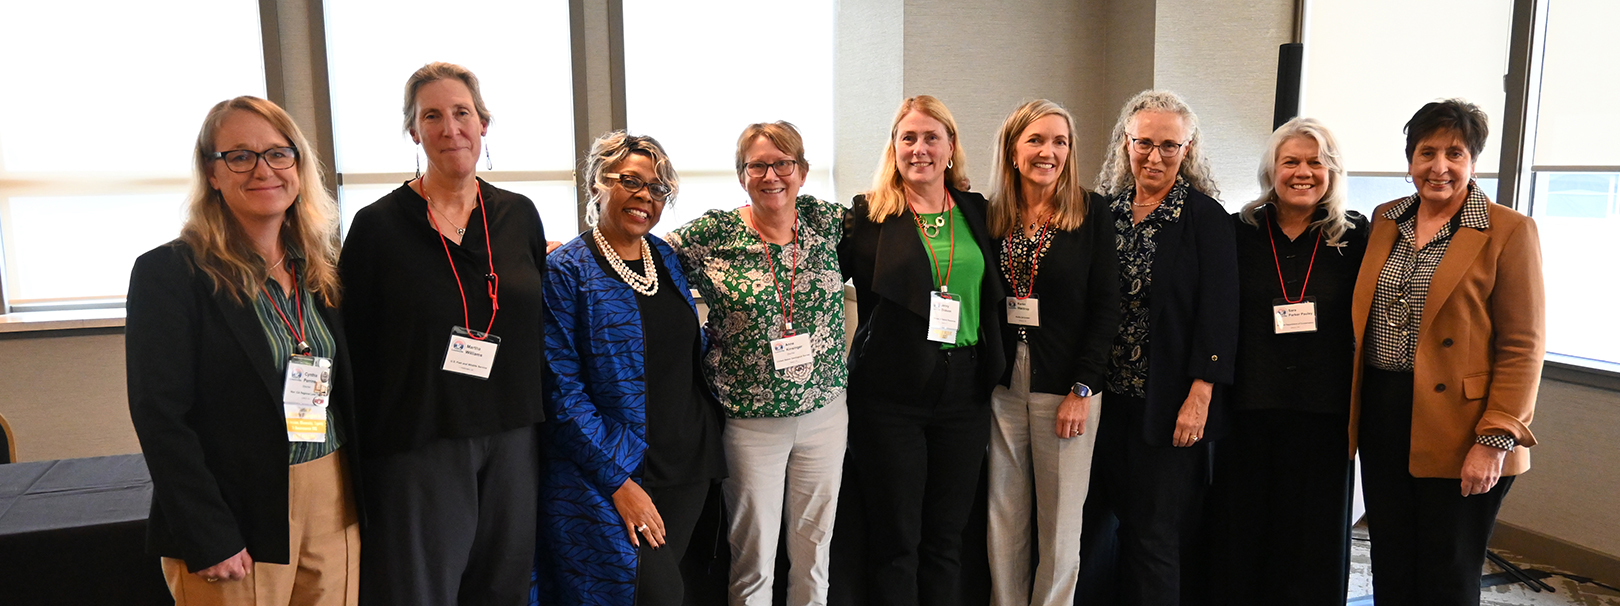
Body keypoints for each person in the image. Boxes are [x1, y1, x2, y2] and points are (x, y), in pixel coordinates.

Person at [127, 95, 360, 605]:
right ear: (211, 173)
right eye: (239, 156)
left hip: (333, 495)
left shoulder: (321, 269)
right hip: (235, 507)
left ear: (298, 165)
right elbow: (160, 415)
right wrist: (208, 532)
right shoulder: (171, 274)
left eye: (279, 153)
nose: (263, 170)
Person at [339, 62, 549, 606]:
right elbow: (355, 348)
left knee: (503, 589)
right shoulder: (378, 227)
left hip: (511, 435)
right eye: (432, 115)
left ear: (483, 123)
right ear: (413, 130)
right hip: (421, 441)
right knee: (422, 592)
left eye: (462, 112)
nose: (450, 127)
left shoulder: (519, 215)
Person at [1349, 99, 1545, 606]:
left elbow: (1523, 345)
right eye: (1426, 152)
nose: (1439, 166)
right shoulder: (1386, 219)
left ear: (1473, 161)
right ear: (1409, 160)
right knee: (1391, 555)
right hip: (1385, 410)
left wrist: (1495, 439)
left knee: (1447, 568)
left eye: (1454, 153)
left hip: (1465, 424)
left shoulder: (1508, 230)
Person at [538, 132, 726, 606]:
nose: (646, 195)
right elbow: (562, 392)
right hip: (615, 472)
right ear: (599, 183)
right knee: (648, 593)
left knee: (677, 590)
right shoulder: (567, 271)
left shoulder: (664, 256)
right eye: (631, 181)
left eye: (659, 187)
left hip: (687, 465)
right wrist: (619, 482)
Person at [667, 122, 848, 606]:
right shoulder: (712, 235)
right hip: (751, 426)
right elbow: (641, 250)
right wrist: (568, 251)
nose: (772, 175)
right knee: (753, 560)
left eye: (783, 163)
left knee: (815, 555)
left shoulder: (825, 222)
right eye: (758, 165)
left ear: (803, 172)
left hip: (826, 415)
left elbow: (893, 218)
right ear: (742, 175)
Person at [838, 95, 1006, 606]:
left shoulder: (978, 211)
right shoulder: (867, 216)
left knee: (947, 539)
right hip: (891, 397)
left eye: (932, 137)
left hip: (966, 394)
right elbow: (808, 272)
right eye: (907, 137)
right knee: (897, 542)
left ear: (951, 146)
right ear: (893, 147)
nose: (919, 148)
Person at [1080, 89, 1237, 606]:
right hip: (1101, 402)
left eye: (1168, 146)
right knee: (1092, 531)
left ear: (1187, 148)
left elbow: (1219, 313)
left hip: (1167, 406)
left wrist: (1200, 395)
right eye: (1143, 143)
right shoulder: (1103, 212)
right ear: (1124, 144)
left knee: (1153, 538)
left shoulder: (1206, 217)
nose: (1154, 156)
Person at [1209, 117, 1368, 605]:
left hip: (1326, 411)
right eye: (1291, 161)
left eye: (1315, 162)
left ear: (1332, 171)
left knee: (1314, 538)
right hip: (1250, 407)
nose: (1304, 172)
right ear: (1271, 171)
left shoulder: (1357, 235)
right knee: (1246, 530)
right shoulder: (1240, 231)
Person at [983, 99, 1119, 606]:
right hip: (1002, 385)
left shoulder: (1092, 213)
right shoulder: (992, 216)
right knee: (1004, 515)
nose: (1049, 152)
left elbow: (1108, 308)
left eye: (1060, 141)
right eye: (1036, 140)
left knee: (1060, 524)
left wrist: (1083, 388)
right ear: (1013, 150)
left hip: (1067, 386)